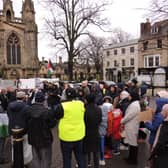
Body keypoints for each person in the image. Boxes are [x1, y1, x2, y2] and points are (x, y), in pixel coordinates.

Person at [53, 88, 86, 168]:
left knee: (66, 159)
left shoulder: (62, 106)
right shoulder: (81, 104)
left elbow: (56, 116)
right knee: (80, 157)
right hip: (79, 135)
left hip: (66, 137)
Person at [26, 91, 56, 168]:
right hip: (45, 138)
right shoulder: (47, 111)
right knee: (46, 159)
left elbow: (26, 122)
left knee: (35, 158)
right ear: (43, 100)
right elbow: (52, 124)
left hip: (33, 138)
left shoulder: (28, 110)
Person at [121, 91, 141, 165]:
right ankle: (130, 158)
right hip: (131, 126)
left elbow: (129, 116)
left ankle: (133, 160)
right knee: (131, 143)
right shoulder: (134, 104)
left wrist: (121, 121)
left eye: (129, 96)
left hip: (132, 126)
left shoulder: (134, 105)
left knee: (133, 144)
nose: (128, 97)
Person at [83, 94, 102, 168]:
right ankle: (96, 166)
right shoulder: (98, 109)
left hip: (86, 132)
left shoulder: (84, 109)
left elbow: (83, 121)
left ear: (87, 100)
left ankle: (87, 164)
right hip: (95, 131)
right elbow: (100, 120)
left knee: (85, 151)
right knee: (96, 151)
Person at [150, 104, 168, 168]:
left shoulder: (165, 124)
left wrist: (155, 150)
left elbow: (161, 141)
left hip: (161, 154)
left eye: (162, 111)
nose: (161, 112)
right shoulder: (163, 121)